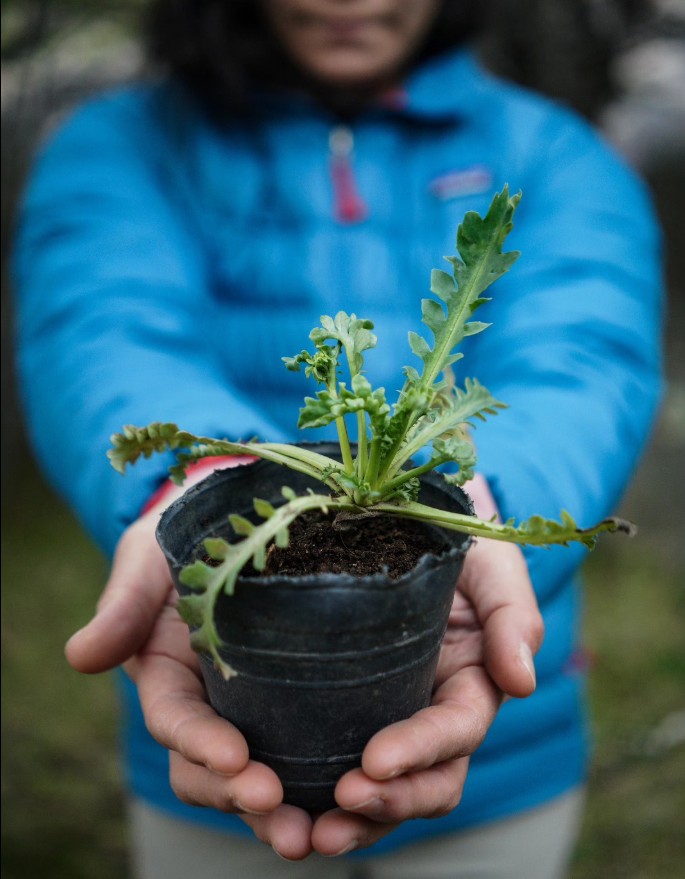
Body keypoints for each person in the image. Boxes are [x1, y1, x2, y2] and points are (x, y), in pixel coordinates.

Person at [12, 1, 663, 876]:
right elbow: (101, 338)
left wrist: (483, 503)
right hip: (220, 742)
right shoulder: (123, 145)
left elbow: (584, 362)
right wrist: (195, 481)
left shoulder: (553, 153)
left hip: (504, 758)